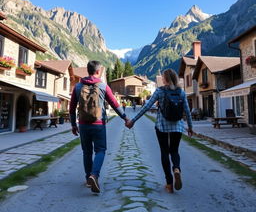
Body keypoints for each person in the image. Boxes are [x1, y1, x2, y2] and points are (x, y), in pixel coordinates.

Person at [126, 69, 193, 193]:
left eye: (163, 78)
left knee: (164, 152)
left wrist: (133, 120)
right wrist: (190, 127)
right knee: (174, 151)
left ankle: (169, 184)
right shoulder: (181, 92)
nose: (162, 79)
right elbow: (187, 111)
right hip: (177, 127)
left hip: (162, 126)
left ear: (166, 79)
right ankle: (177, 168)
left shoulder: (160, 91)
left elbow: (146, 107)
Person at [69, 60, 129, 193]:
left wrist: (73, 125)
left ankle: (87, 179)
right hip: (99, 124)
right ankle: (94, 175)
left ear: (88, 70)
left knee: (87, 152)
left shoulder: (78, 86)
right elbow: (114, 103)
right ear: (98, 71)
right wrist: (125, 118)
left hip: (83, 124)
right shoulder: (103, 86)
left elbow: (72, 108)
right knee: (100, 150)